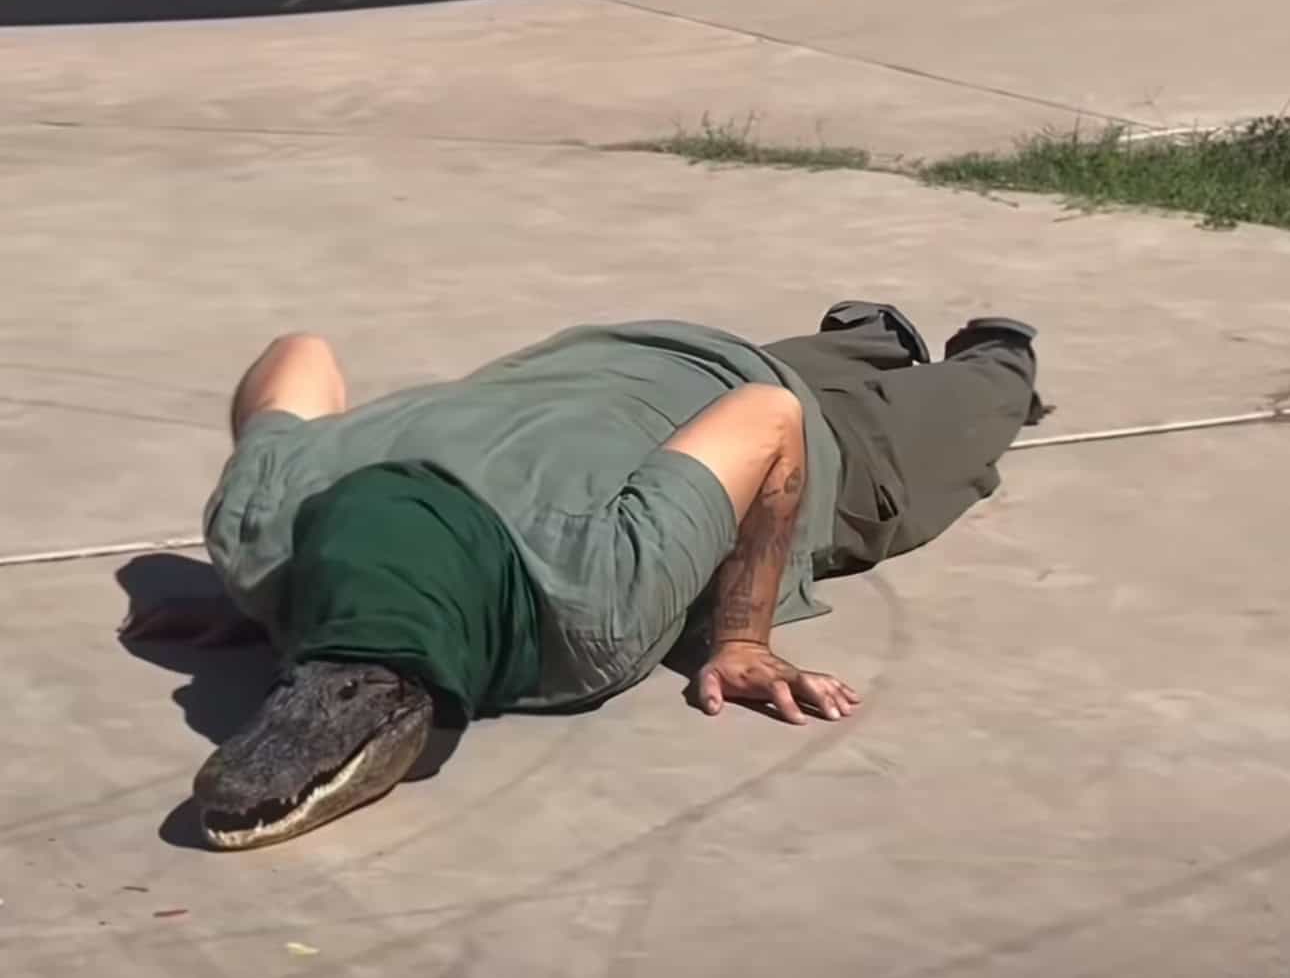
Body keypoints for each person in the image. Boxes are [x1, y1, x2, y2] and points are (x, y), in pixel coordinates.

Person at [131, 300, 1043, 726]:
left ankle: (996, 346)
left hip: (779, 427)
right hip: (609, 359)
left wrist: (742, 639)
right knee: (772, 375)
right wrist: (287, 586)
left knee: (961, 418)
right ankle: (868, 336)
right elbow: (300, 352)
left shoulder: (595, 596)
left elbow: (772, 421)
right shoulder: (271, 517)